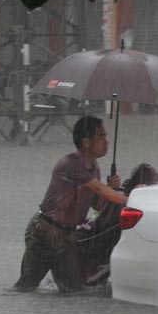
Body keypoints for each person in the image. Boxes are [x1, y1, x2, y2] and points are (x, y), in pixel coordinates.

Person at [13, 116, 128, 293]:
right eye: (101, 137)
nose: (106, 142)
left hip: (66, 236)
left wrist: (112, 187)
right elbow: (100, 189)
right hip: (45, 232)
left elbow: (97, 204)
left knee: (73, 291)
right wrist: (133, 199)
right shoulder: (71, 165)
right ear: (86, 142)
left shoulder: (94, 167)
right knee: (26, 287)